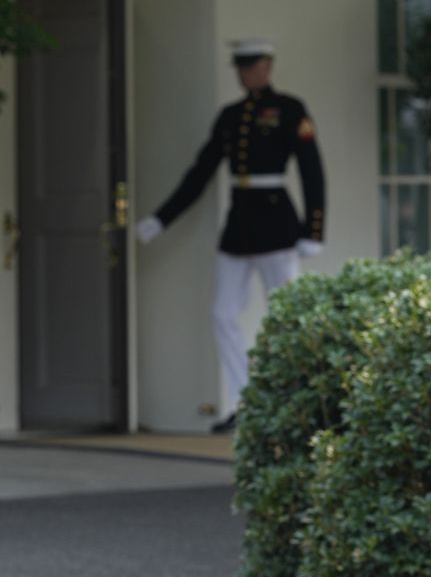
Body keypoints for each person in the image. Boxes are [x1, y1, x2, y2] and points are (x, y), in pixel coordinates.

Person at [135, 39, 325, 434]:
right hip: (240, 225)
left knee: (288, 315)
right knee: (222, 313)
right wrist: (161, 219)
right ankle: (248, 400)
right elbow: (201, 173)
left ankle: (294, 400)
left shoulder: (290, 109)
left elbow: (311, 170)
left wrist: (314, 229)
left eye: (251, 65)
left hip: (278, 224)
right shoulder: (231, 116)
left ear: (267, 66)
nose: (244, 72)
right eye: (240, 66)